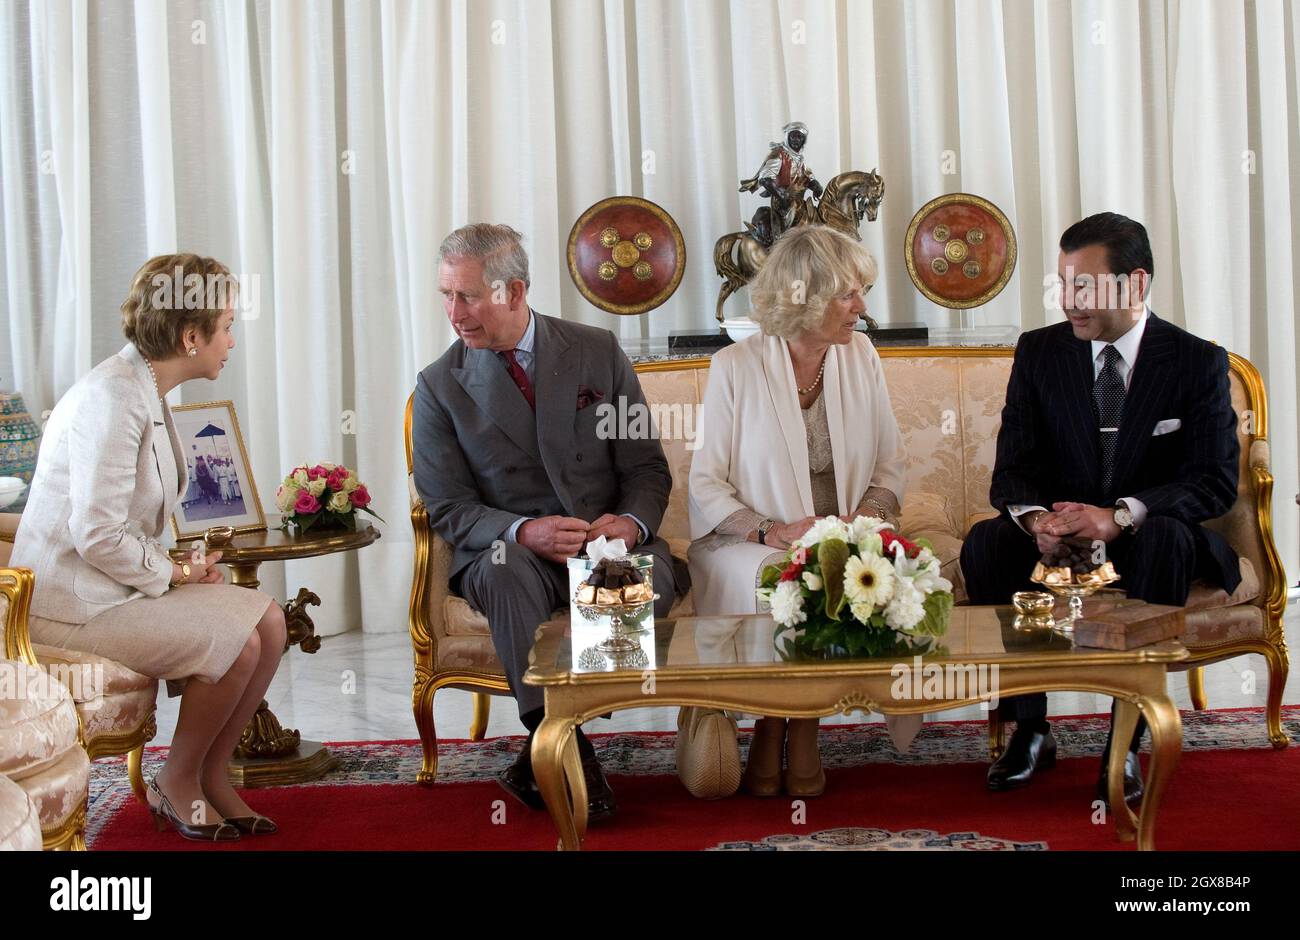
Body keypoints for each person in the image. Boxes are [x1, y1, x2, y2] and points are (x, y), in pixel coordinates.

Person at [960, 212, 1241, 805]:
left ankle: (1129, 736)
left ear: (1136, 283)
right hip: (1062, 535)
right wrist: (1039, 521)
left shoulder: (1196, 361)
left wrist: (1121, 515)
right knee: (987, 542)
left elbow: (1214, 482)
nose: (1069, 302)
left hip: (1149, 533)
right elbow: (1013, 470)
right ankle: (1030, 728)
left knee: (1165, 534)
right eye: (1063, 284)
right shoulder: (1040, 353)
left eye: (1083, 286)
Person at [412, 223, 689, 821]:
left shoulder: (597, 350)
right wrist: (522, 531)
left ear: (514, 292)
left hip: (606, 545)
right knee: (507, 572)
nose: (453, 313)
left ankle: (539, 752)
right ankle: (560, 744)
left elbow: (647, 468)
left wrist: (631, 526)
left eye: (467, 296)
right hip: (512, 553)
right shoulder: (438, 385)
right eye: (445, 295)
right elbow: (448, 507)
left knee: (644, 579)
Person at [11, 253, 287, 841]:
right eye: (226, 327)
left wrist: (180, 565)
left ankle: (212, 774)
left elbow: (123, 523)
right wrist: (175, 573)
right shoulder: (113, 399)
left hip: (110, 587)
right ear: (192, 336)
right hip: (68, 607)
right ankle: (177, 778)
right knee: (234, 641)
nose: (231, 341)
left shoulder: (144, 387)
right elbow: (96, 533)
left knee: (270, 622)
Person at [686, 224, 911, 798]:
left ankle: (793, 726)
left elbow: (889, 463)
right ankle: (773, 717)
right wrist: (774, 530)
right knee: (783, 576)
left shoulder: (860, 354)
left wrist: (863, 522)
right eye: (848, 293)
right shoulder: (735, 367)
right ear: (802, 297)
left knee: (850, 566)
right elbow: (706, 484)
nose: (862, 307)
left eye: (861, 290)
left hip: (844, 530)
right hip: (748, 540)